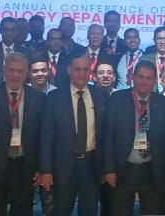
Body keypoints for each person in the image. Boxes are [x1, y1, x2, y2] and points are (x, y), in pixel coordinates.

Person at [0, 53, 45, 216]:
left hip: (25, 167)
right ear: (4, 71)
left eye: (20, 71)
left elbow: (42, 138)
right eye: (11, 70)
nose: (15, 75)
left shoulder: (38, 98)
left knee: (23, 211)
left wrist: (41, 168)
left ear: (26, 73)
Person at [40, 55, 109, 216]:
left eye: (86, 69)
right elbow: (46, 137)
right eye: (77, 69)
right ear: (69, 70)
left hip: (92, 165)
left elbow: (106, 135)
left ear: (90, 72)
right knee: (61, 210)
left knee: (89, 211)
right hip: (63, 166)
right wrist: (46, 170)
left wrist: (107, 167)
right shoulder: (54, 97)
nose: (82, 73)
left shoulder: (100, 96)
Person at [101, 61, 165, 216]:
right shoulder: (117, 99)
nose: (144, 81)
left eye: (149, 78)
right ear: (133, 77)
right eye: (140, 77)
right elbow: (108, 137)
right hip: (123, 169)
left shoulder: (162, 102)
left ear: (154, 80)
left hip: (152, 171)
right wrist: (109, 169)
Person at [0, 17, 25, 84]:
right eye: (6, 29)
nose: (9, 33)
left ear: (17, 31)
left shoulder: (25, 53)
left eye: (12, 30)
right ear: (0, 31)